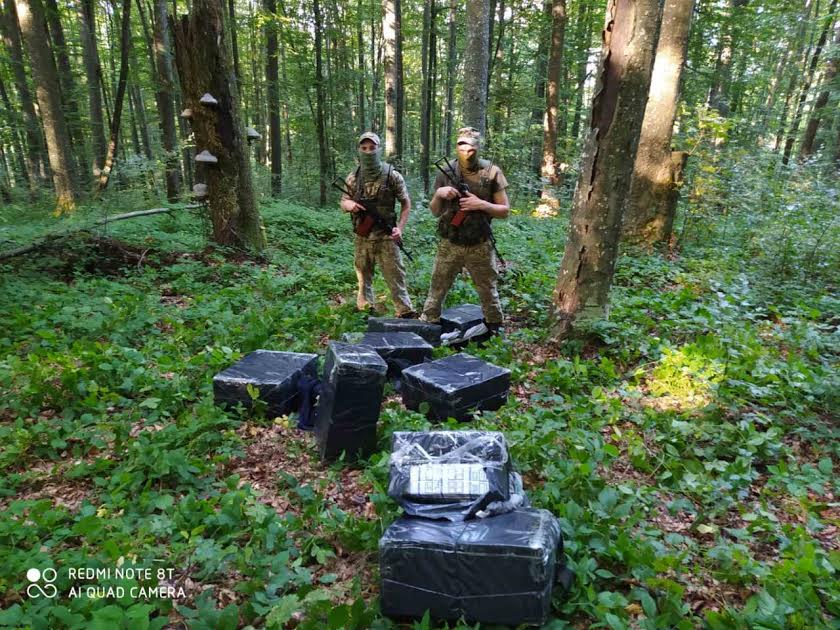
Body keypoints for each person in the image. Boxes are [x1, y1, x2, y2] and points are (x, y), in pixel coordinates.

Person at [421, 127, 510, 334]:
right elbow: (434, 211)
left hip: (479, 243)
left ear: (478, 147)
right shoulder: (446, 171)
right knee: (437, 287)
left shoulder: (492, 172)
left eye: (471, 147)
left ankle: (494, 329)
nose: (466, 151)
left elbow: (504, 211)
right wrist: (439, 194)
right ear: (456, 146)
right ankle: (428, 325)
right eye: (461, 146)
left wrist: (481, 204)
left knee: (487, 289)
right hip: (450, 241)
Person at [339, 132, 416, 317]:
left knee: (395, 275)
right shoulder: (353, 177)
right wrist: (348, 205)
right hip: (362, 235)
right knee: (363, 275)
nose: (368, 152)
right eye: (364, 148)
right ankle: (365, 311)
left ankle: (405, 312)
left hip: (386, 235)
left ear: (379, 149)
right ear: (359, 150)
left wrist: (399, 228)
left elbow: (406, 204)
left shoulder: (392, 175)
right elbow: (343, 201)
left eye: (372, 148)